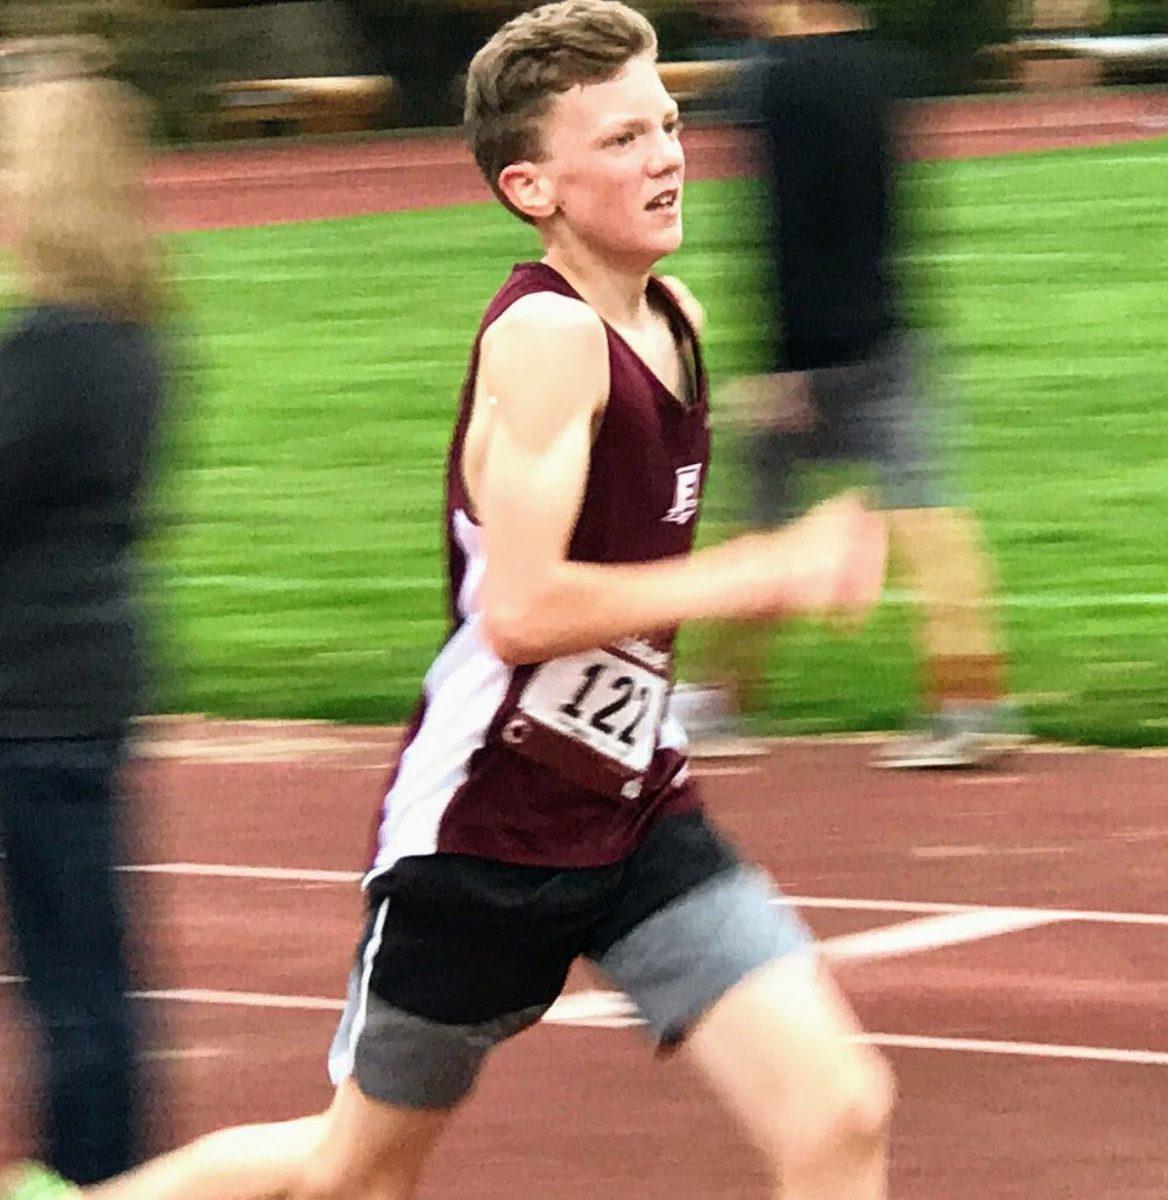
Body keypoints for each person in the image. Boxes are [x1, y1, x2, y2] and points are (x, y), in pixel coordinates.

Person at [4, 4, 894, 1198]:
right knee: (351, 1173)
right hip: (482, 840)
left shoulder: (673, 320)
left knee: (840, 1111)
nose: (670, 154)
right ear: (533, 185)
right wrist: (762, 570)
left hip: (633, 814)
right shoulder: (547, 338)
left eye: (670, 123)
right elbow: (521, 610)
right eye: (624, 138)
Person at [675, 0, 1020, 769]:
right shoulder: (881, 70)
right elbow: (884, 212)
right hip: (889, 327)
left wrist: (784, 363)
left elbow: (786, 230)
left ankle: (718, 699)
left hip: (815, 347)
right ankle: (971, 702)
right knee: (932, 514)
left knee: (758, 524)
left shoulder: (771, 81)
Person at [0, 43, 169, 1191]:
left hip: (30, 698)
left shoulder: (51, 352)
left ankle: (91, 1180)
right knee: (88, 975)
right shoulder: (134, 336)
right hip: (82, 680)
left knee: (74, 989)